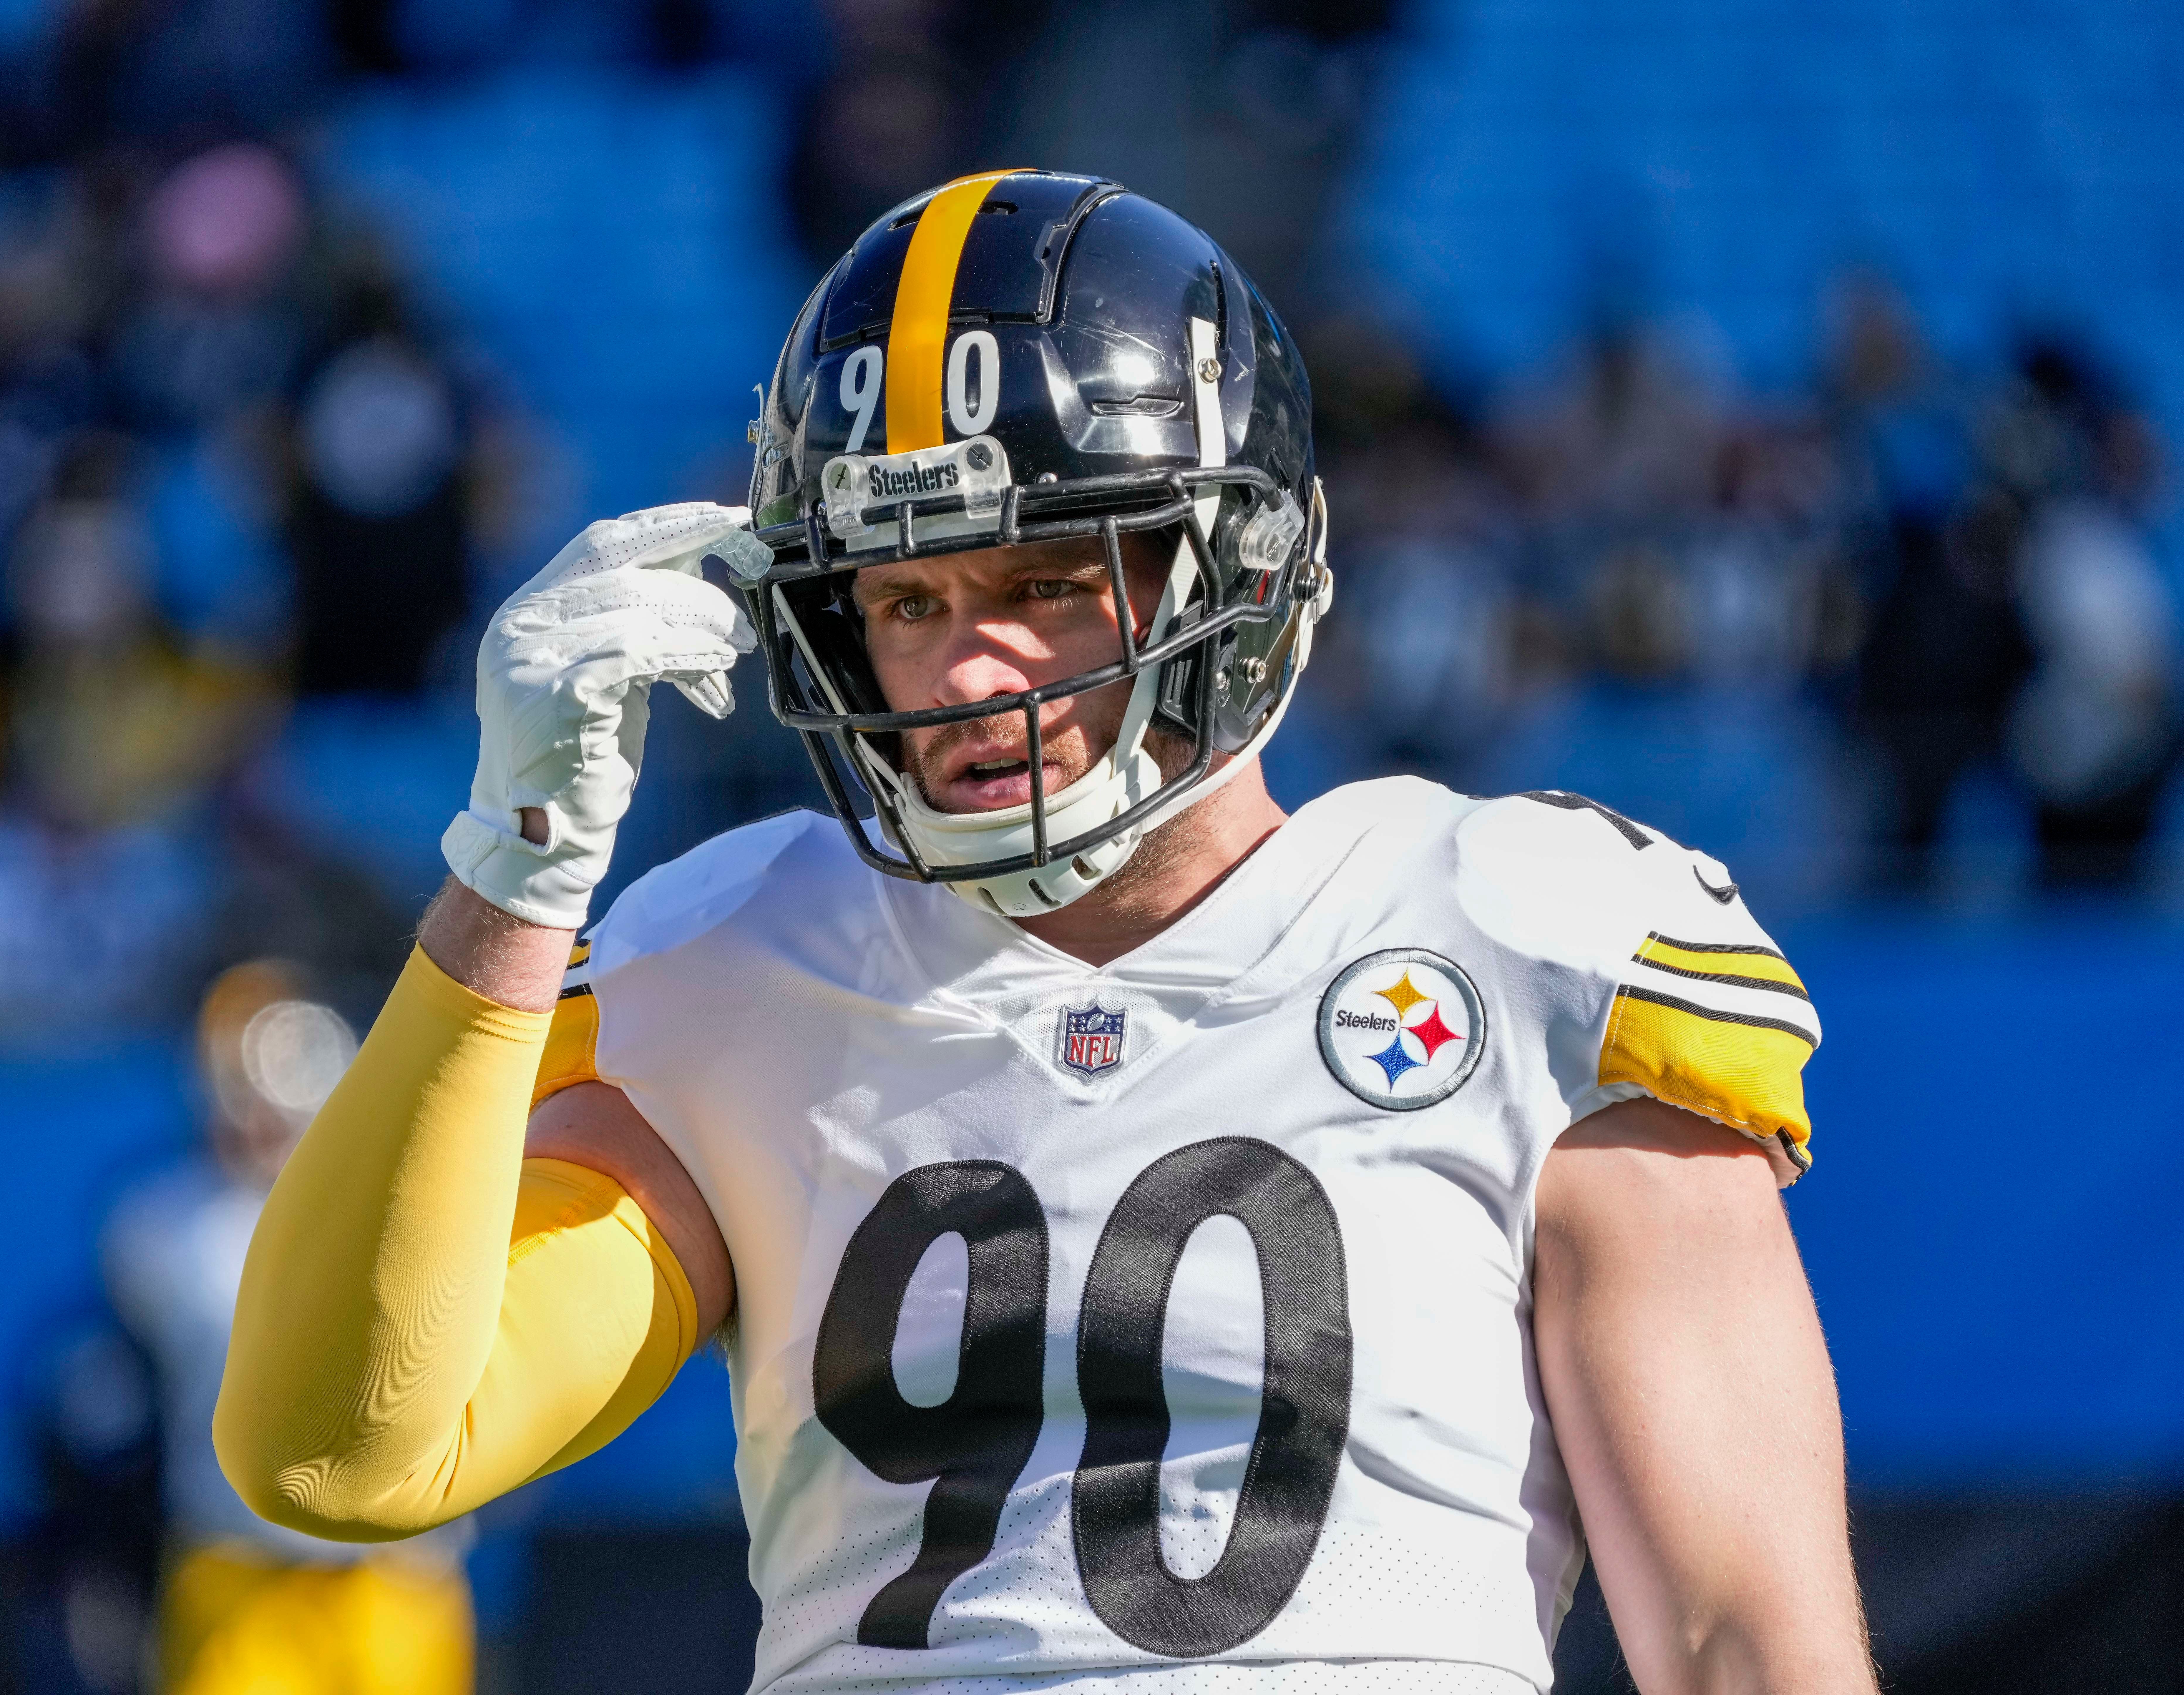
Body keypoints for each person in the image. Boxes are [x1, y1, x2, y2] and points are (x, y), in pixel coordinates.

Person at [218, 171, 1873, 1694]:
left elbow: (1747, 1642)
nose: (969, 670)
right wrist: (514, 866)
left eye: (1046, 582)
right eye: (910, 599)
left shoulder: (1521, 940)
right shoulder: (738, 968)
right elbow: (344, 1450)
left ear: (1236, 568)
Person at [109, 960, 476, 1695]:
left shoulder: (407, 1204)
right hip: (239, 1569)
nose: (258, 1105)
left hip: (394, 1575)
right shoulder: (165, 1226)